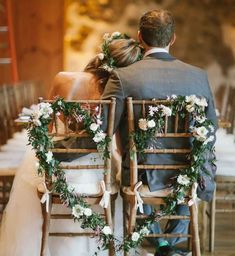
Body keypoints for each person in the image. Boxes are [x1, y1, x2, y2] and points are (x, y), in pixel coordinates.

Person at [0, 34, 142, 256]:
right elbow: (115, 142)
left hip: (54, 166)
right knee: (111, 173)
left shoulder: (62, 78)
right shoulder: (113, 92)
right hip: (94, 173)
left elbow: (46, 127)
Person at [102, 10, 217, 256]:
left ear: (139, 37)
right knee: (189, 171)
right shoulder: (198, 77)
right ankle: (170, 246)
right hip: (186, 173)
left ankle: (160, 244)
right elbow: (210, 129)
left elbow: (102, 128)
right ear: (172, 39)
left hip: (140, 174)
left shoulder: (123, 77)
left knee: (135, 171)